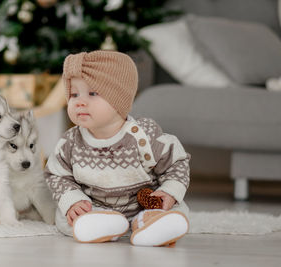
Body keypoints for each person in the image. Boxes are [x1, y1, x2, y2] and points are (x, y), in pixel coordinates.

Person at [44, 50, 190, 247]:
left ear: (119, 98)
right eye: (73, 94)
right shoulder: (70, 142)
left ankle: (151, 224)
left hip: (143, 206)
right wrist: (73, 201)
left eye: (93, 93)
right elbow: (56, 175)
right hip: (95, 207)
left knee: (176, 209)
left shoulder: (144, 135)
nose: (80, 101)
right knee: (65, 216)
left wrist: (169, 192)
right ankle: (102, 225)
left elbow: (176, 162)